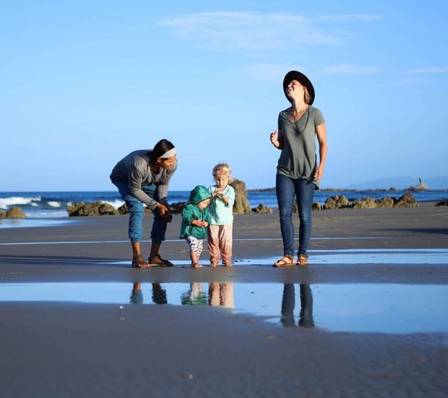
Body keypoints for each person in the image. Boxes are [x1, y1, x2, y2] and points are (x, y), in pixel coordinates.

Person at [270, 70, 328, 267]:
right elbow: (283, 144)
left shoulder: (315, 113)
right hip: (285, 171)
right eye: (287, 85)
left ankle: (303, 254)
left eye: (292, 83)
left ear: (304, 88)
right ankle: (288, 255)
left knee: (304, 214)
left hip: (307, 172)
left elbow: (323, 143)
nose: (289, 86)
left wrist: (321, 166)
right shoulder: (283, 115)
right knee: (284, 213)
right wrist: (275, 143)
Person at [110, 139, 177, 269]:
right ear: (159, 160)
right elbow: (134, 189)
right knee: (137, 208)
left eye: (175, 158)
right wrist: (155, 204)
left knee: (163, 212)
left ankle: (154, 256)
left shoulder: (172, 164)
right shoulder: (139, 164)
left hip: (146, 181)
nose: (173, 162)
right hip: (124, 179)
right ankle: (137, 257)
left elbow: (163, 183)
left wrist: (162, 202)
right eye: (169, 160)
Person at [208, 163, 236, 267]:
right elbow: (206, 202)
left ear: (228, 178)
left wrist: (223, 197)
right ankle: (214, 260)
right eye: (218, 179)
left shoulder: (230, 189)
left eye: (223, 179)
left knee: (226, 241)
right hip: (212, 220)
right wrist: (213, 196)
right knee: (213, 241)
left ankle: (227, 260)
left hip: (226, 221)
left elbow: (230, 203)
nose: (221, 182)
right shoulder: (211, 189)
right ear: (215, 178)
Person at [179, 185, 212, 269]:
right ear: (197, 200)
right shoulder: (189, 207)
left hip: (200, 232)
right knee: (194, 244)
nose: (205, 205)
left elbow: (208, 217)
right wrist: (194, 221)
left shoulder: (205, 210)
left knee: (200, 247)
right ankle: (194, 262)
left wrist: (207, 223)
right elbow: (185, 216)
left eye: (207, 203)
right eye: (204, 203)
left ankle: (196, 261)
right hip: (190, 231)